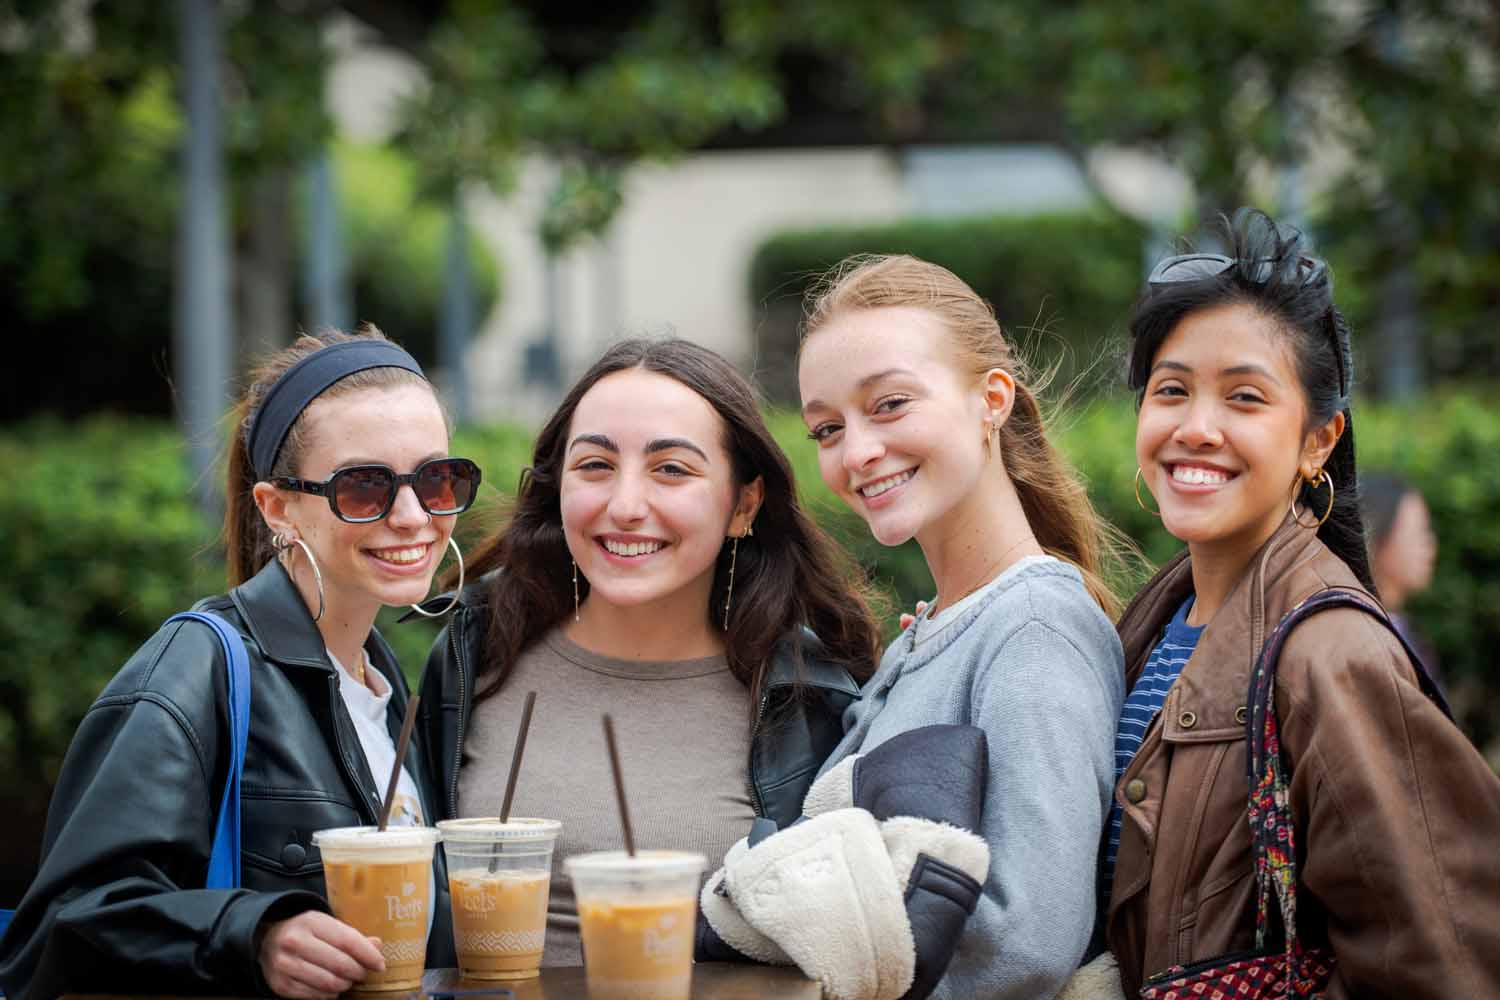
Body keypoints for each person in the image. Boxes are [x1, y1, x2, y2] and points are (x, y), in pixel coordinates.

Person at [0, 328, 480, 1000]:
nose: (412, 516)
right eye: (365, 487)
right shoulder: (197, 668)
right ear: (278, 508)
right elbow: (61, 925)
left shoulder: (385, 687)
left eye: (438, 478)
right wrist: (253, 935)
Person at [1101, 209, 1500, 997]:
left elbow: (1440, 962)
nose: (1196, 427)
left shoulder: (1333, 655)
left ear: (1317, 440)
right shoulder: (1153, 623)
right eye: (1171, 390)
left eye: (1244, 398)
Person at [415, 337, 882, 967]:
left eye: (671, 469)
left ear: (743, 505)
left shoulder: (811, 694)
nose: (625, 506)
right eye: (595, 466)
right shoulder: (475, 652)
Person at [786, 254, 1127, 999]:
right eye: (826, 429)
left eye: (890, 404)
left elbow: (1024, 940)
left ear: (992, 400)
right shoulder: (943, 630)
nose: (856, 452)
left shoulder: (1034, 627)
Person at [1361, 469, 1442, 689]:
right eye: (1420, 531)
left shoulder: (1402, 630)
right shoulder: (1364, 639)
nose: (1430, 546)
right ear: (1376, 536)